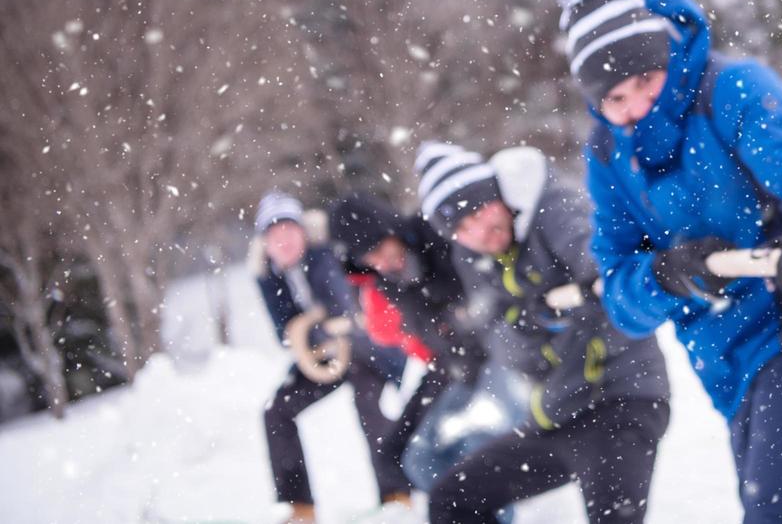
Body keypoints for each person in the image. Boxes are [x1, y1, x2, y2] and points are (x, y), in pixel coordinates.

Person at [556, 0, 782, 524]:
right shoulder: (609, 156)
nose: (638, 103)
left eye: (646, 78)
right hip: (734, 375)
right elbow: (619, 294)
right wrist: (664, 276)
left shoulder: (730, 91)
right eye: (616, 97)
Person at [414, 141, 671, 523]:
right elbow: (501, 343)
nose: (479, 232)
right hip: (558, 412)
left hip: (620, 396)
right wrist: (529, 323)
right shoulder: (471, 257)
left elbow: (602, 265)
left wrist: (579, 295)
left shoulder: (553, 208)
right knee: (453, 498)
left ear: (498, 196)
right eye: (462, 229)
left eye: (480, 212)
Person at [253, 190, 412, 523]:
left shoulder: (325, 256)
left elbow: (345, 311)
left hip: (363, 350)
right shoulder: (269, 277)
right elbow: (285, 331)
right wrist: (310, 335)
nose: (283, 240)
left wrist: (319, 327)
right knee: (276, 412)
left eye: (289, 230)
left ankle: (397, 493)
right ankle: (299, 508)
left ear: (303, 231)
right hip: (319, 358)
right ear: (265, 243)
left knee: (369, 403)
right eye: (274, 234)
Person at [329, 190, 493, 491]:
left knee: (437, 454)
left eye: (379, 247)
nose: (380, 260)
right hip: (448, 366)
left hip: (488, 361)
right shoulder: (387, 278)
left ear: (389, 230)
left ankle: (475, 504)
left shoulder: (437, 238)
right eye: (369, 257)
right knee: (392, 458)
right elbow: (420, 332)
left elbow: (483, 303)